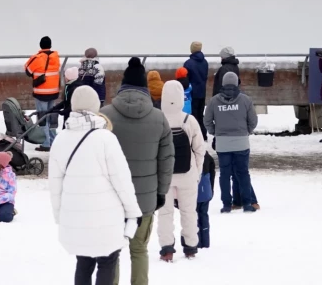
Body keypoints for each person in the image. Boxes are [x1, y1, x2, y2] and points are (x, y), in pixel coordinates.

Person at [49, 86, 140, 285]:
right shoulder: (106, 138)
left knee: (83, 262)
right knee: (107, 262)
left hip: (75, 216)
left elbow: (55, 186)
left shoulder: (60, 140)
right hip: (106, 219)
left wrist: (60, 216)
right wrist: (133, 212)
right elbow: (122, 181)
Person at [100, 56, 173, 285]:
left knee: (112, 252)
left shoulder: (105, 116)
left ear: (122, 86)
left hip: (111, 198)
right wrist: (161, 192)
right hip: (145, 198)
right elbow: (166, 160)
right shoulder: (159, 118)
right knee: (139, 250)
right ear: (145, 88)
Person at [157, 80, 206, 261]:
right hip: (188, 174)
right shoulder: (189, 120)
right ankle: (191, 247)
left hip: (164, 175)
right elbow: (200, 148)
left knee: (165, 213)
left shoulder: (157, 119)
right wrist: (197, 171)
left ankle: (167, 249)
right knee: (188, 211)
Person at [204, 71, 258, 214]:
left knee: (225, 174)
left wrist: (215, 132)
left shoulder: (214, 101)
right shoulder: (245, 100)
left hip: (223, 144)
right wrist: (246, 131)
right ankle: (247, 203)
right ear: (236, 83)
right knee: (243, 173)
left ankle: (226, 204)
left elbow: (207, 120)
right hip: (241, 142)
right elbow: (253, 120)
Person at [25, 36, 61, 151]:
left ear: (40, 45)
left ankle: (46, 143)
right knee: (51, 116)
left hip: (41, 93)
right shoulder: (56, 57)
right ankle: (53, 140)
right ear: (50, 45)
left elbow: (27, 70)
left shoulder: (37, 58)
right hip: (53, 91)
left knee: (42, 118)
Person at [184, 41, 209, 138]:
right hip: (202, 92)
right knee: (200, 113)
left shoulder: (188, 63)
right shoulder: (205, 62)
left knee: (193, 115)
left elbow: (186, 79)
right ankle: (203, 133)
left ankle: (196, 135)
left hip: (192, 93)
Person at [197, 152, 215, 248]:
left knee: (192, 217)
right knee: (203, 215)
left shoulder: (187, 153)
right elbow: (212, 174)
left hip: (191, 191)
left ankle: (195, 242)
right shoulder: (206, 155)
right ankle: (205, 242)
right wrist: (211, 190)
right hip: (205, 190)